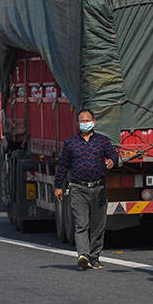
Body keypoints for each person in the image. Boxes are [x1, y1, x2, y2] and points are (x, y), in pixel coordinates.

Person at [54, 109, 119, 270]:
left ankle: (94, 257)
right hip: (78, 188)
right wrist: (58, 186)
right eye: (81, 121)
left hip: (98, 189)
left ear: (94, 122)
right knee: (81, 224)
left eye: (87, 120)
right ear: (78, 124)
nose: (85, 123)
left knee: (98, 225)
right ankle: (83, 255)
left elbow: (114, 155)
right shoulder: (71, 143)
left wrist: (112, 161)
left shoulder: (102, 141)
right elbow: (63, 165)